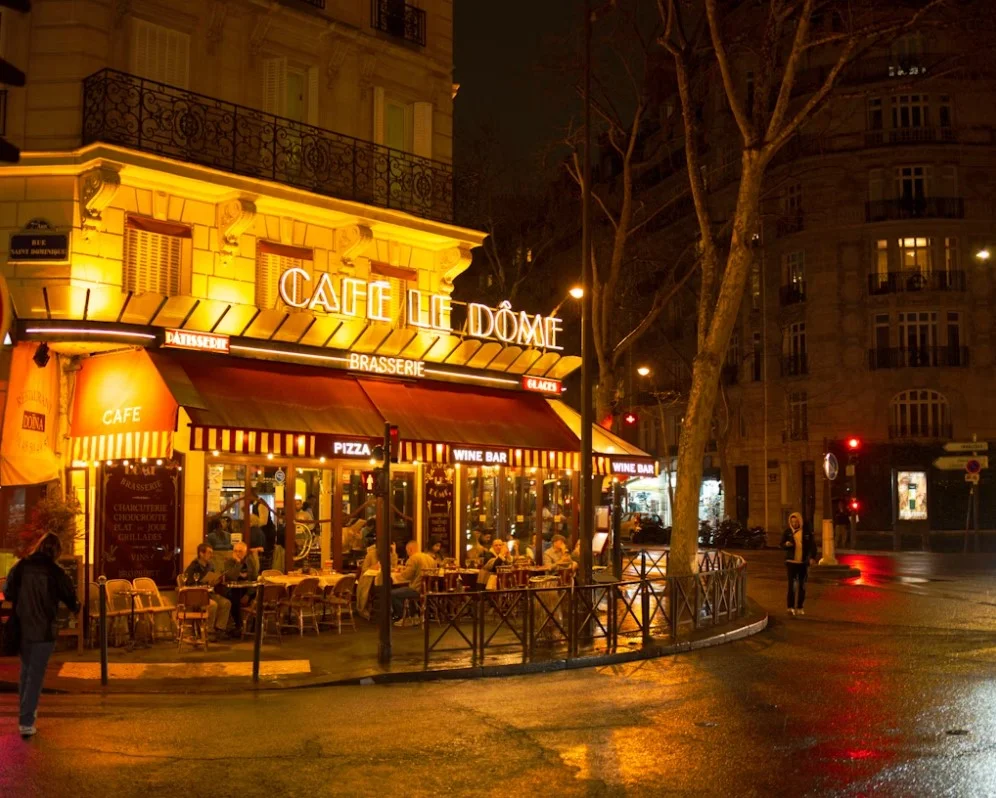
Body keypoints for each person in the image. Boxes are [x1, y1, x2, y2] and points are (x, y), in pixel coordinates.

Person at [4, 533, 80, 738]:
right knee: (35, 676)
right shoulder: (55, 571)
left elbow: (8, 591)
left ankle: (26, 713)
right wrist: (76, 607)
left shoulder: (22, 566)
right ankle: (26, 721)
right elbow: (70, 596)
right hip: (44, 630)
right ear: (56, 551)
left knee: (26, 672)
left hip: (22, 627)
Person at [182, 543, 232, 640]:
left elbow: (211, 581)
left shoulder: (210, 565)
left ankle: (220, 629)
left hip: (209, 592)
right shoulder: (193, 568)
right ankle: (208, 631)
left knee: (226, 603)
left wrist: (216, 581)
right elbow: (189, 584)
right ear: (201, 553)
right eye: (209, 552)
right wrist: (203, 583)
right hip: (198, 595)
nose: (211, 555)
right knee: (213, 605)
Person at [391, 540, 436, 624]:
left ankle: (405, 618)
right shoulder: (430, 558)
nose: (407, 553)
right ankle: (414, 615)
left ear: (410, 549)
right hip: (427, 590)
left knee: (392, 594)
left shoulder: (413, 558)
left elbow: (406, 576)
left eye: (407, 551)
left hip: (416, 589)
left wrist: (395, 576)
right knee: (403, 591)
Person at [781, 511, 817, 616]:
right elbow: (781, 544)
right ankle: (790, 607)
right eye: (792, 522)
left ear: (800, 521)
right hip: (791, 562)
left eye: (796, 522)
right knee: (791, 585)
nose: (794, 524)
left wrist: (812, 558)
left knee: (802, 586)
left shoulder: (806, 533)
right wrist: (786, 544)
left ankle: (800, 606)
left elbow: (812, 546)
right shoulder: (787, 532)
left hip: (802, 563)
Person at [223, 542, 259, 635]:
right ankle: (238, 625)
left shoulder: (250, 562)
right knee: (234, 598)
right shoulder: (229, 562)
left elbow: (254, 578)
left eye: (240, 551)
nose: (237, 553)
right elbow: (231, 577)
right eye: (235, 551)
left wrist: (248, 594)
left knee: (259, 595)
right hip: (233, 590)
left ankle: (255, 625)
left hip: (248, 590)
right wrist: (238, 563)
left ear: (245, 552)